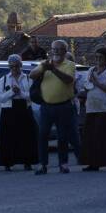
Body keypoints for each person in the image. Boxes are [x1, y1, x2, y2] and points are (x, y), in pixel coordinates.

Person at [30, 39, 77, 175]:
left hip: (64, 106)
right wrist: (43, 68)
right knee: (43, 135)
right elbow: (32, 75)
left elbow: (68, 80)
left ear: (64, 51)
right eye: (53, 48)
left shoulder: (70, 64)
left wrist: (54, 70)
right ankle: (43, 164)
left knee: (62, 136)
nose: (55, 51)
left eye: (59, 49)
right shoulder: (45, 64)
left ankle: (63, 164)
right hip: (47, 106)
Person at [0, 54, 37, 171]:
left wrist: (21, 93)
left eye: (16, 66)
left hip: (24, 109)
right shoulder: (3, 79)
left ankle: (27, 162)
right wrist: (11, 93)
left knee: (26, 136)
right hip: (9, 110)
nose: (14, 69)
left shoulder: (28, 78)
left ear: (20, 66)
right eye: (12, 67)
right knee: (9, 137)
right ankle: (8, 163)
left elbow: (32, 96)